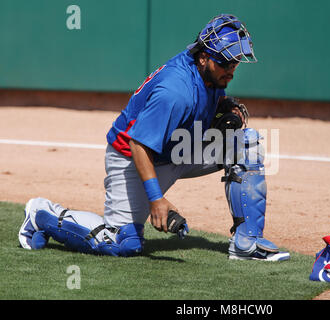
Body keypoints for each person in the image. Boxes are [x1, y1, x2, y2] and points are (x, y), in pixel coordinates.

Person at [18, 14, 290, 261]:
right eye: (225, 61)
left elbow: (205, 100)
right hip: (133, 159)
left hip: (178, 148)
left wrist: (226, 106)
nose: (231, 68)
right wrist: (156, 199)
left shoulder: (206, 71)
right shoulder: (175, 92)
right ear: (204, 57)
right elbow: (138, 144)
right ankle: (42, 214)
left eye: (235, 62)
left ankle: (247, 243)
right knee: (122, 242)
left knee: (246, 143)